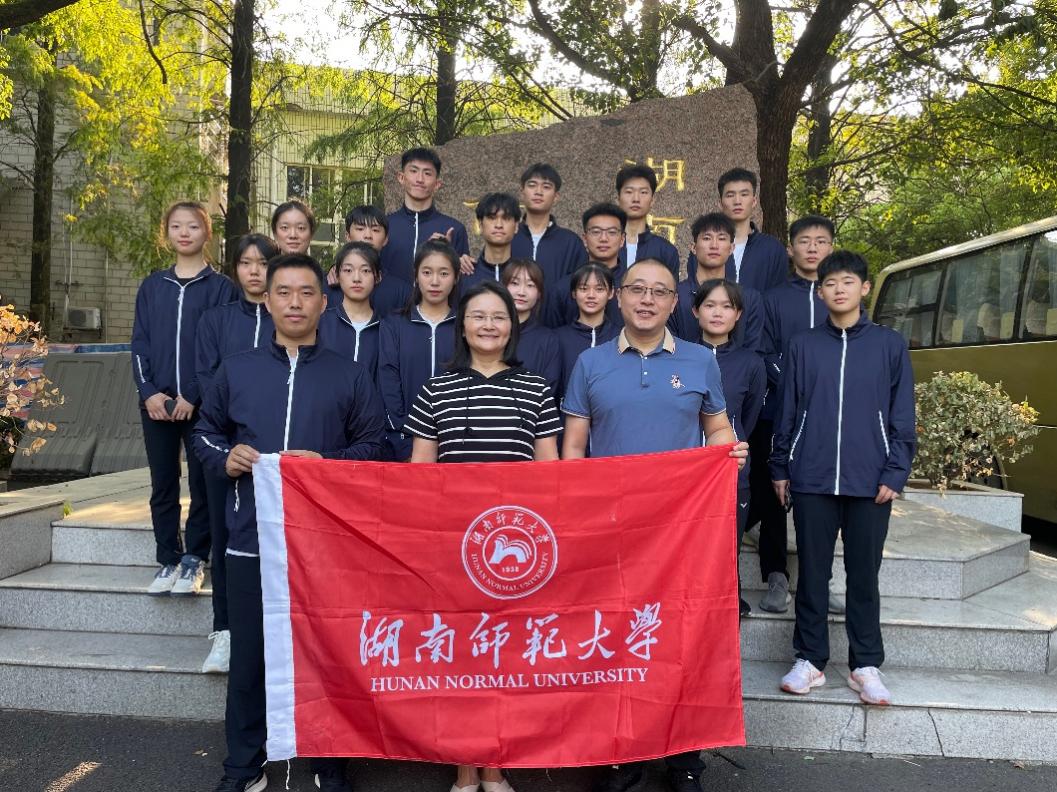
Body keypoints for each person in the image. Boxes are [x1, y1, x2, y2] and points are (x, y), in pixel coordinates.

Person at [194, 253, 385, 792]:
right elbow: (204, 433)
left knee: (327, 656)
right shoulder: (237, 369)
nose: (295, 302)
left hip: (325, 546)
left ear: (324, 302)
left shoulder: (349, 374)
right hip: (251, 539)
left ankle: (329, 761)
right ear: (267, 300)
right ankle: (243, 766)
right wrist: (226, 457)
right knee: (250, 661)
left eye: (306, 292)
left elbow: (374, 446)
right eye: (283, 292)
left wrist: (328, 466)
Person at [561, 257, 748, 792]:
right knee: (619, 639)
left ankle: (685, 755)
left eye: (659, 291)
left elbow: (717, 427)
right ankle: (622, 752)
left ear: (673, 303)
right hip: (613, 532)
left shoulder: (699, 361)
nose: (647, 299)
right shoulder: (590, 363)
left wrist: (727, 452)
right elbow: (573, 449)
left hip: (682, 531)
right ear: (618, 297)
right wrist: (580, 515)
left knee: (682, 640)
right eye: (637, 289)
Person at [405, 279, 559, 792]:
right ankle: (464, 767)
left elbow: (549, 475)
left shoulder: (536, 389)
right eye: (478, 316)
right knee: (459, 658)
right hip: (452, 546)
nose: (488, 325)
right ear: (462, 326)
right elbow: (421, 474)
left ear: (511, 327)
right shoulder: (435, 389)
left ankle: (495, 764)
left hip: (516, 548)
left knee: (506, 657)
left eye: (498, 317)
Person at [770, 251, 916, 707]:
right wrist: (781, 465)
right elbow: (787, 409)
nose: (839, 289)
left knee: (864, 575)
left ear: (864, 288)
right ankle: (809, 659)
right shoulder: (803, 345)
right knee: (813, 572)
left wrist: (896, 470)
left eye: (848, 281)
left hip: (871, 480)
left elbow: (902, 413)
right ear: (820, 292)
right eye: (830, 283)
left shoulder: (889, 345)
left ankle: (865, 664)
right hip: (811, 476)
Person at [132, 201, 238, 597]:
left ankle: (195, 556)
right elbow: (139, 343)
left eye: (192, 226)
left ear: (206, 232)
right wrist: (149, 393)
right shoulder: (152, 286)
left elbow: (220, 348)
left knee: (202, 483)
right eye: (176, 226)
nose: (184, 233)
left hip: (202, 406)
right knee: (163, 482)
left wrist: (192, 394)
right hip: (156, 405)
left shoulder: (221, 288)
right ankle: (168, 557)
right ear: (167, 233)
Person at [194, 233, 278, 673]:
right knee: (225, 538)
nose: (254, 271)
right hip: (227, 447)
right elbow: (206, 378)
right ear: (235, 269)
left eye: (262, 262)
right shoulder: (217, 320)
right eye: (246, 263)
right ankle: (224, 630)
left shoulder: (288, 314)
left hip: (275, 446)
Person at [754, 215, 834, 614]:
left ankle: (820, 581)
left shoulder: (839, 295)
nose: (813, 248)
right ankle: (776, 576)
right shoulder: (773, 298)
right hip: (779, 410)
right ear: (791, 249)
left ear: (831, 247)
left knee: (820, 498)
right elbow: (764, 350)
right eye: (804, 241)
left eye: (821, 241)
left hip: (828, 416)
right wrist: (796, 384)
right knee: (774, 494)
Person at [692, 279, 766, 616]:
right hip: (686, 470)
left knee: (726, 545)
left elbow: (748, 418)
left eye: (726, 306)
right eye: (710, 305)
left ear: (738, 314)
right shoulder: (679, 356)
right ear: (696, 311)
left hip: (731, 469)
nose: (717, 313)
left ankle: (726, 603)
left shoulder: (751, 363)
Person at [378, 240, 461, 461]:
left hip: (456, 445)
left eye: (444, 273)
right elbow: (388, 385)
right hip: (404, 444)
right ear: (415, 275)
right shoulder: (394, 324)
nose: (435, 281)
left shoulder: (464, 325)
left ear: (456, 277)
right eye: (427, 272)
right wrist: (406, 444)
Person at [669, 213, 763, 352]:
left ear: (731, 248)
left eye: (721, 238)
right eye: (707, 238)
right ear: (693, 247)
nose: (714, 245)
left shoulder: (749, 298)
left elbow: (754, 352)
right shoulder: (675, 296)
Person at [684, 168, 787, 293]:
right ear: (720, 203)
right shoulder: (704, 247)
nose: (737, 201)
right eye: (730, 195)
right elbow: (693, 290)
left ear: (754, 201)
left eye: (744, 194)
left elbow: (777, 296)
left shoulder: (772, 248)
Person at [381, 147, 469, 284]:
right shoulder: (384, 227)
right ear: (401, 177)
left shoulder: (454, 229)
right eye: (414, 171)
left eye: (427, 173)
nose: (420, 179)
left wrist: (448, 254)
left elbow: (462, 281)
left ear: (437, 184)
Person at [542, 203, 627, 328]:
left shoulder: (633, 285)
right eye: (596, 232)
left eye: (612, 232)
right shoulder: (563, 288)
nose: (604, 238)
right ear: (585, 239)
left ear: (622, 239)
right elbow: (551, 334)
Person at [510, 163, 588, 284]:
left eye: (546, 187)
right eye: (532, 185)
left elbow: (580, 284)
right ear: (522, 192)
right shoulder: (508, 237)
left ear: (556, 196)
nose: (538, 192)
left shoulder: (571, 242)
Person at [326, 205, 410, 316]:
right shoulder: (329, 284)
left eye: (375, 230)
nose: (367, 236)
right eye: (360, 229)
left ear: (385, 239)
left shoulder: (402, 291)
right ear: (348, 236)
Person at [553, 263, 620, 401]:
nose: (591, 295)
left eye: (599, 289)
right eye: (583, 289)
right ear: (574, 293)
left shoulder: (621, 338)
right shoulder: (557, 338)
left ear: (611, 293)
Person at [319, 241, 385, 380]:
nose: (356, 278)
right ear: (337, 275)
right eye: (348, 270)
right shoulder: (321, 323)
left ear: (378, 277)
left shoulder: (387, 329)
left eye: (365, 271)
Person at [500, 258, 560, 399]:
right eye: (515, 283)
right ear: (503, 287)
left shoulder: (548, 340)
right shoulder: (489, 331)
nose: (521, 292)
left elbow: (549, 390)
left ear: (539, 293)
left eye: (530, 285)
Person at [615, 163, 680, 277]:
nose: (636, 199)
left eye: (643, 192)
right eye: (629, 192)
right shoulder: (605, 245)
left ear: (652, 200)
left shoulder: (666, 251)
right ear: (618, 199)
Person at [459, 192, 520, 288]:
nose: (499, 225)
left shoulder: (525, 276)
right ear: (480, 224)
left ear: (516, 226)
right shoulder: (464, 274)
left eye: (506, 218)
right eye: (492, 218)